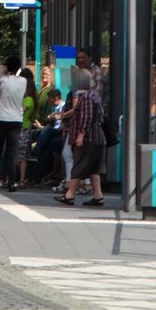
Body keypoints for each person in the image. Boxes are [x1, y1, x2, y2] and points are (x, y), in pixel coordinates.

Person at [56, 68, 106, 206]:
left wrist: (80, 136)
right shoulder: (94, 95)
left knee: (78, 166)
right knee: (93, 170)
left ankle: (70, 195)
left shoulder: (86, 98)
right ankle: (98, 196)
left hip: (88, 139)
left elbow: (86, 118)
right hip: (98, 139)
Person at [0, 57, 27, 192]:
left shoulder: (2, 81)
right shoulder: (24, 81)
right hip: (16, 120)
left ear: (7, 67)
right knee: (12, 151)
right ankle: (12, 182)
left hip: (1, 118)